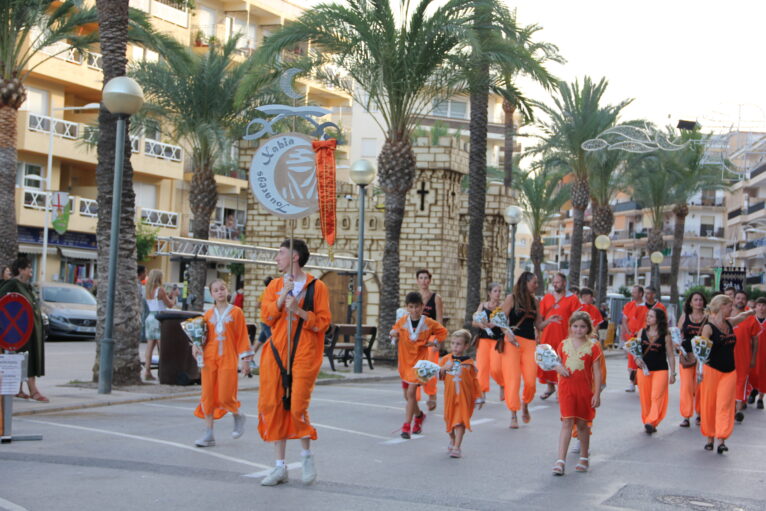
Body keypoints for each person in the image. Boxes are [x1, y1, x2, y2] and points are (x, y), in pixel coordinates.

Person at [258, 239, 331, 486]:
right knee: (275, 406)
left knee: (298, 405)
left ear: (295, 257)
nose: (276, 258)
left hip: (304, 353)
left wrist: (298, 310)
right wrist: (281, 299)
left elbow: (323, 322)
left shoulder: (316, 287)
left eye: (280, 253)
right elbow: (266, 317)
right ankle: (280, 466)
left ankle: (306, 456)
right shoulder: (276, 285)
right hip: (277, 354)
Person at [192, 279, 253, 447]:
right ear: (211, 294)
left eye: (222, 289)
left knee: (226, 395)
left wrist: (246, 361)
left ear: (227, 291)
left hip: (228, 358)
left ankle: (237, 415)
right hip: (209, 359)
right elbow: (201, 337)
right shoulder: (208, 315)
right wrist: (196, 346)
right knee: (208, 397)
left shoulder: (236, 313)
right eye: (216, 290)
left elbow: (242, 337)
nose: (219, 292)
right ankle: (209, 434)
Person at [498, 272, 560, 428]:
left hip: (529, 343)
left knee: (531, 381)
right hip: (512, 342)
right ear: (525, 282)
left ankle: (525, 403)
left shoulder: (535, 301)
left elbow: (538, 326)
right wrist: (507, 333)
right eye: (534, 282)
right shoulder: (511, 298)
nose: (536, 285)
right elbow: (499, 319)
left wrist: (549, 321)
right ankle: (513, 413)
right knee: (513, 379)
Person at [699, 295, 754, 453]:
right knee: (710, 405)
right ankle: (710, 437)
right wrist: (700, 371)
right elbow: (701, 352)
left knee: (725, 405)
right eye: (729, 306)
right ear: (721, 306)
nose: (732, 308)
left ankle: (721, 439)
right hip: (712, 370)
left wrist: (752, 312)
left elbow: (741, 316)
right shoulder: (708, 327)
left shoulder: (730, 323)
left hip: (729, 371)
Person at [391, 291, 448, 439]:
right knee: (408, 395)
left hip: (419, 363)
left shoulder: (428, 322)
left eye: (417, 307)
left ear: (422, 307)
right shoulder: (403, 321)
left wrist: (435, 342)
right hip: (405, 362)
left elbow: (442, 332)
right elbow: (395, 330)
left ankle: (406, 426)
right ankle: (419, 416)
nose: (414, 310)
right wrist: (394, 334)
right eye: (411, 307)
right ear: (407, 307)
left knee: (411, 393)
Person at [551, 312, 603, 475]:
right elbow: (555, 362)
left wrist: (597, 393)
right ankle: (560, 461)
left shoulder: (593, 347)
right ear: (570, 327)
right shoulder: (563, 344)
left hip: (584, 391)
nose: (578, 329)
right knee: (567, 422)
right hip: (566, 389)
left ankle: (584, 457)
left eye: (582, 326)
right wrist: (557, 367)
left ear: (588, 328)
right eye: (575, 326)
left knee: (582, 424)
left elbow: (597, 372)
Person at [0, 257, 47, 402]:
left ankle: (18, 390)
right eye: (29, 268)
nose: (31, 271)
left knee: (25, 357)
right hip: (19, 331)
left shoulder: (27, 286)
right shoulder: (13, 284)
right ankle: (33, 390)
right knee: (26, 359)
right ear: (20, 269)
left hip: (31, 331)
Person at [439, 329, 484, 459]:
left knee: (460, 421)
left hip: (465, 397)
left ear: (466, 346)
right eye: (453, 343)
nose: (455, 346)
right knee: (449, 421)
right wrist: (443, 369)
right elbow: (439, 376)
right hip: (450, 397)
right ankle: (452, 440)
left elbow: (474, 381)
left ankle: (457, 447)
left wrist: (479, 396)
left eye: (458, 344)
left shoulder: (469, 364)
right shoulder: (446, 360)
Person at [634, 308, 676, 434]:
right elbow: (636, 350)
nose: (648, 318)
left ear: (658, 319)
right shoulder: (642, 332)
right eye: (648, 316)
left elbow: (670, 354)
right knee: (645, 398)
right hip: (643, 370)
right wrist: (636, 359)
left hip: (661, 370)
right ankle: (649, 421)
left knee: (656, 396)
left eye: (651, 316)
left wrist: (673, 373)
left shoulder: (665, 334)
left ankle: (651, 421)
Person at [538, 273, 579, 399]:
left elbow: (576, 319)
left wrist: (575, 337)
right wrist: (537, 334)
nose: (555, 284)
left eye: (558, 282)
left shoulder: (572, 299)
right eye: (554, 282)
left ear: (564, 283)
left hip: (564, 337)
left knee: (563, 362)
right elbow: (540, 318)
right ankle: (550, 387)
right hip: (547, 336)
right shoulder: (547, 298)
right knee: (548, 361)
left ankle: (561, 388)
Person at [676, 291, 707, 428]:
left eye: (700, 300)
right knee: (686, 386)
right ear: (690, 302)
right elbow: (676, 334)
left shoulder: (708, 318)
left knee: (701, 386)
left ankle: (700, 413)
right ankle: (686, 416)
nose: (698, 302)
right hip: (687, 355)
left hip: (702, 357)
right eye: (696, 300)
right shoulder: (684, 317)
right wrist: (678, 347)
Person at [471, 283, 505, 402]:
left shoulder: (503, 306)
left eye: (499, 291)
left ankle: (502, 383)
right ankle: (482, 393)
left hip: (497, 340)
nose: (498, 294)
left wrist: (496, 323)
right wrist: (482, 324)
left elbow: (507, 323)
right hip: (483, 339)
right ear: (489, 293)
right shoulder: (483, 305)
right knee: (482, 367)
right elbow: (474, 322)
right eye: (495, 291)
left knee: (496, 368)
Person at [416, 268, 444, 411]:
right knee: (417, 368)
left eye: (426, 278)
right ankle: (414, 397)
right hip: (417, 338)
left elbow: (439, 321)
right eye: (421, 278)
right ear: (417, 280)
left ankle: (432, 395)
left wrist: (438, 340)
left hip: (431, 337)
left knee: (430, 367)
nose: (424, 281)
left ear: (430, 280)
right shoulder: (414, 298)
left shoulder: (436, 298)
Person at [730, 290, 759, 423]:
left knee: (741, 382)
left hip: (744, 358)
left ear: (746, 301)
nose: (740, 300)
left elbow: (755, 340)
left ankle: (737, 410)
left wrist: (753, 358)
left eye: (743, 298)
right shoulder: (727, 314)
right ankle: (729, 409)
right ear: (734, 299)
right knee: (729, 383)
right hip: (727, 356)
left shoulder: (750, 317)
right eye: (738, 298)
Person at [143, 269, 177, 381]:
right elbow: (170, 305)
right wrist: (174, 296)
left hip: (150, 317)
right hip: (159, 317)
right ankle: (163, 372)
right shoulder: (160, 290)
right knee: (161, 347)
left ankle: (147, 371)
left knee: (149, 346)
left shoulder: (147, 290)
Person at [747, 298, 766, 409]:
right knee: (752, 374)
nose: (761, 307)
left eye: (764, 305)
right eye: (759, 305)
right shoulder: (751, 320)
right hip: (752, 353)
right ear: (755, 306)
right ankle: (752, 392)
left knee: (764, 376)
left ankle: (760, 398)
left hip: (764, 354)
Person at [137, 266, 148, 345]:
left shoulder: (140, 284)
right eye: (145, 272)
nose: (146, 275)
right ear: (141, 273)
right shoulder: (136, 284)